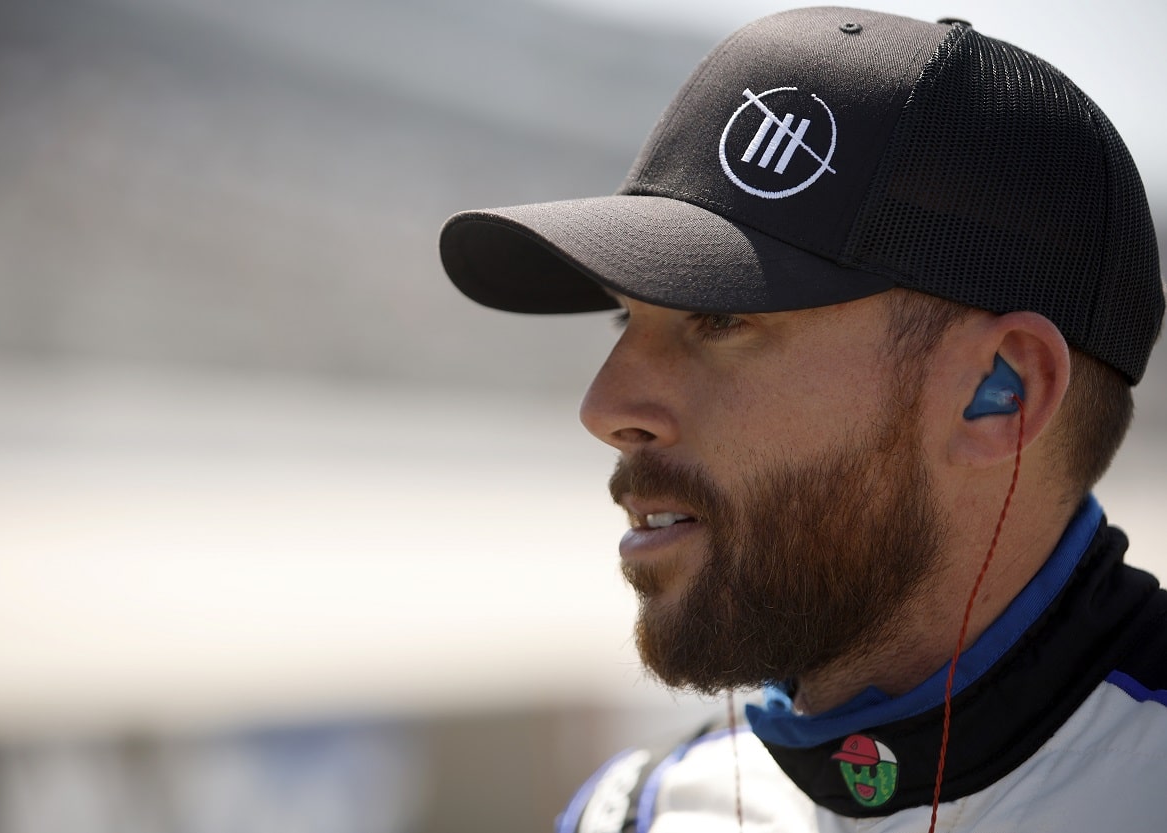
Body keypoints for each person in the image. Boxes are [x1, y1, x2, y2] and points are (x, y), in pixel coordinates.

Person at [439, 7, 1166, 832]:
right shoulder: (634, 812)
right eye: (623, 321)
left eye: (719, 319)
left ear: (1001, 390)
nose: (605, 409)